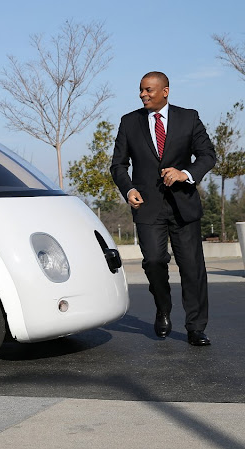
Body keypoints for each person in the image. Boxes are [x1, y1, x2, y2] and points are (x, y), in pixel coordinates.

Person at [110, 71, 216, 346]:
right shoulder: (129, 122)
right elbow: (118, 165)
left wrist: (185, 173)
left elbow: (207, 155)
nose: (143, 95)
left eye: (149, 90)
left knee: (192, 268)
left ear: (165, 91)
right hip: (147, 207)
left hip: (184, 205)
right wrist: (129, 189)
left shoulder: (189, 117)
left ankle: (195, 327)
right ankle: (163, 308)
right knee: (154, 262)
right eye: (141, 90)